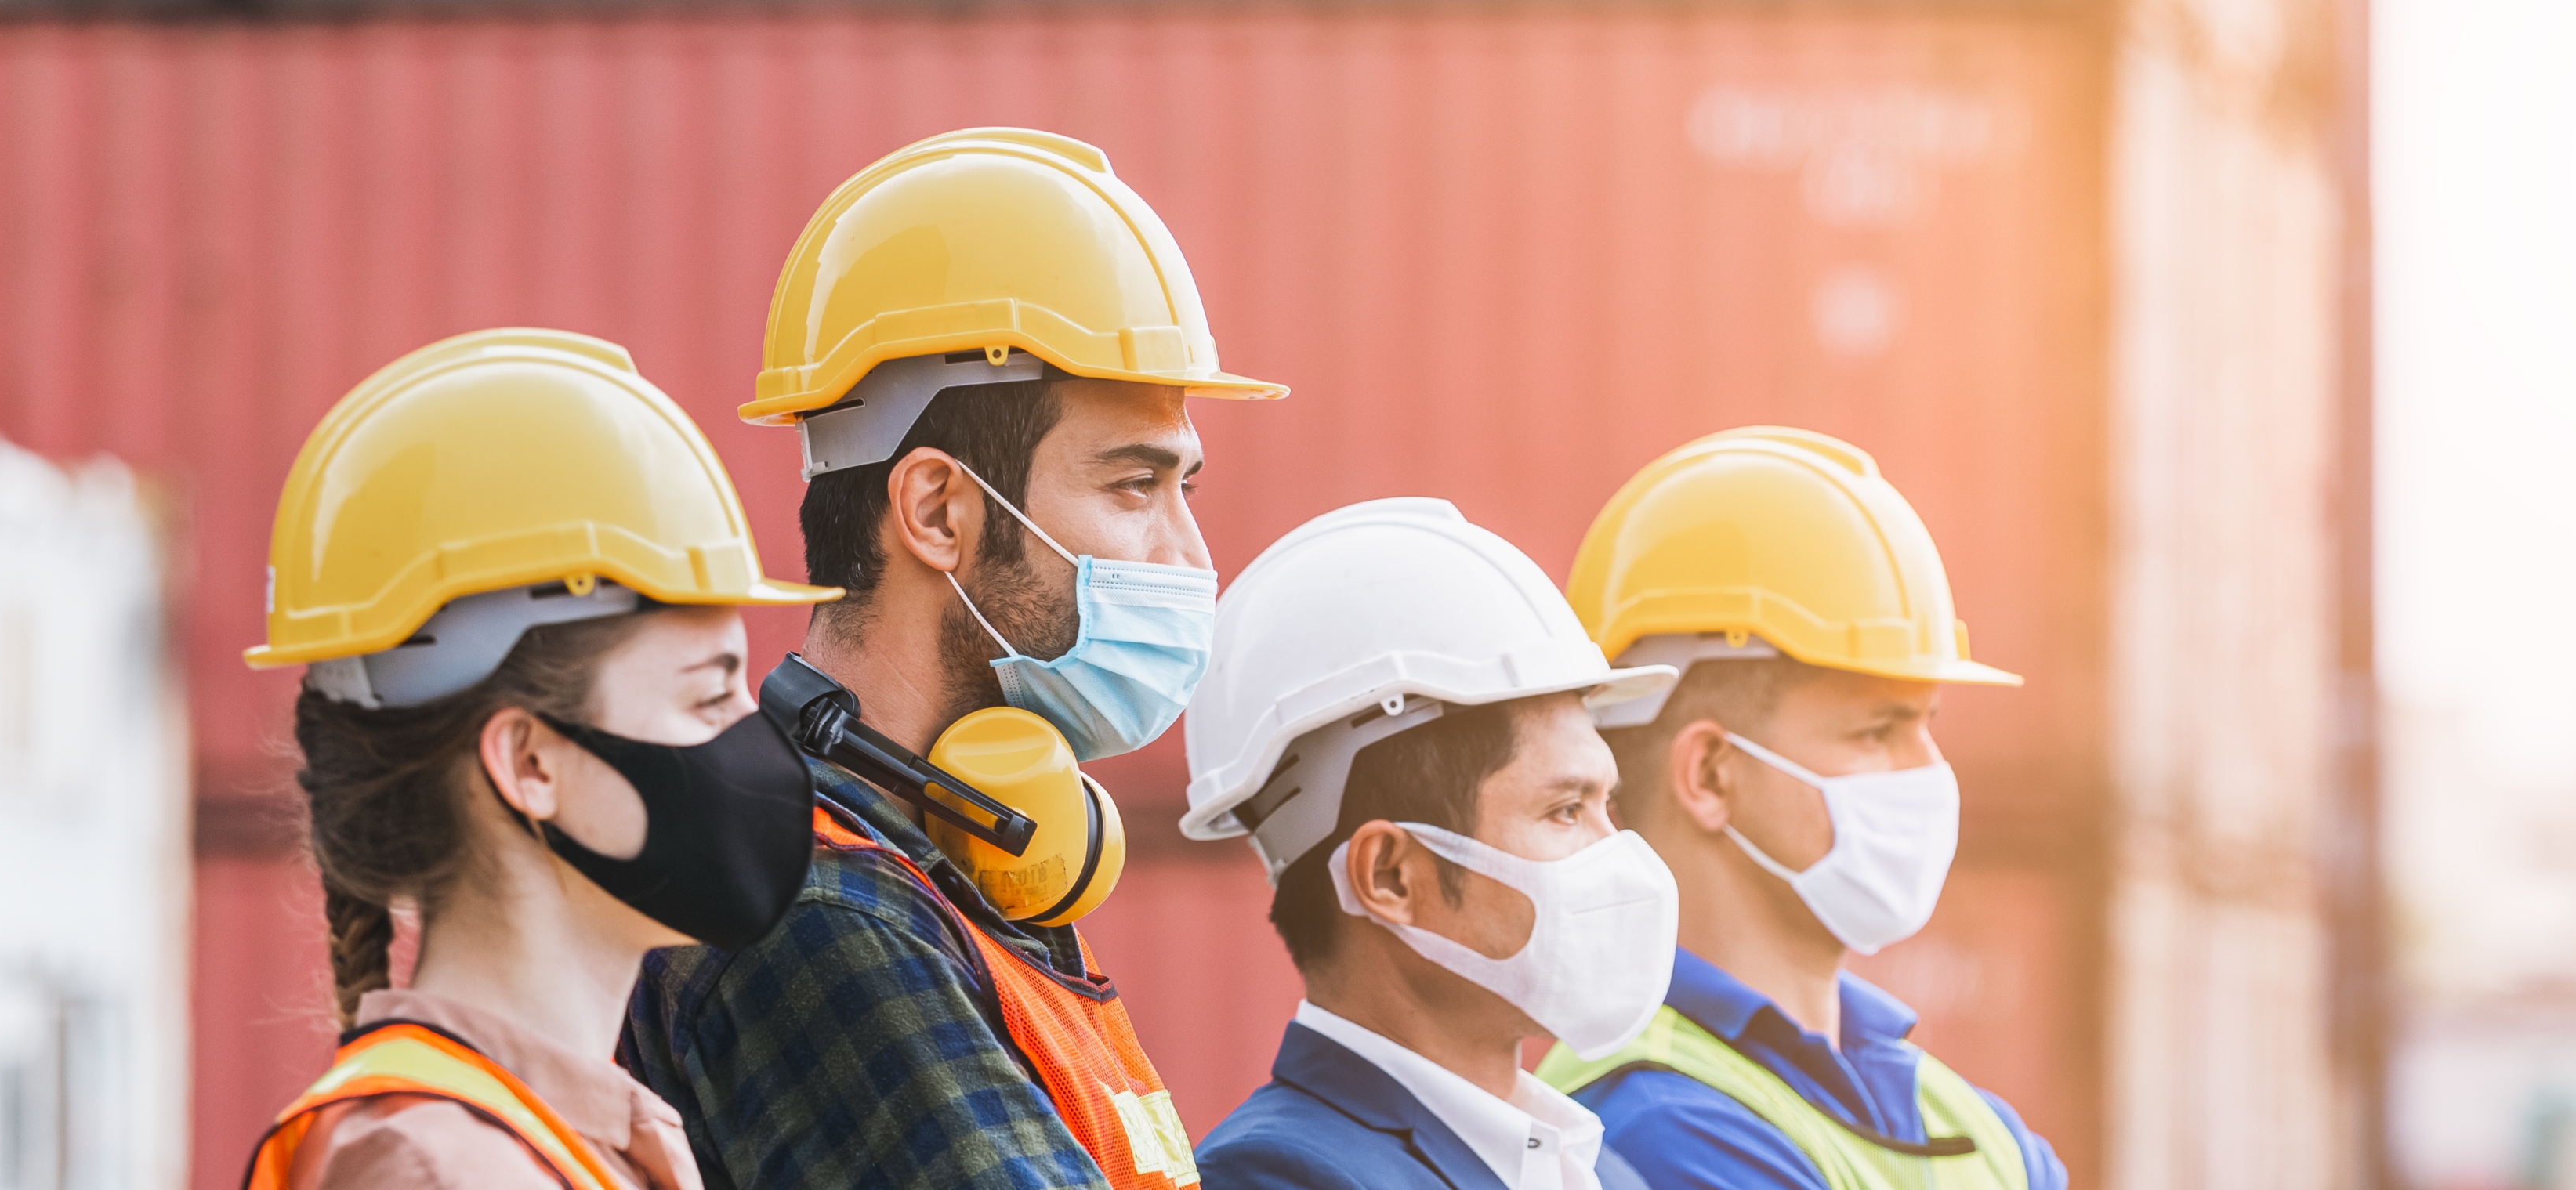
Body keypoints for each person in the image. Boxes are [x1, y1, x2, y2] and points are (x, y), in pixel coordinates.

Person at [621, 127, 1283, 1189]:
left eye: (1184, 490)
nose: (1190, 556)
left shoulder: (963, 867)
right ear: (937, 510)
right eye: (1133, 486)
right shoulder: (815, 908)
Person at [241, 328, 839, 1188]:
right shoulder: (440, 1167)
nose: (756, 738)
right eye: (709, 697)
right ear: (529, 761)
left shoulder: (574, 1138)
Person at [1538, 428, 2070, 1190]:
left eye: (1929, 724)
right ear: (1711, 775)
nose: (1929, 771)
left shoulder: (1968, 1121)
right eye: (1877, 731)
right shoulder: (1647, 1128)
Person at [1177, 498, 1681, 1190]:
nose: (1618, 852)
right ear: (1390, 876)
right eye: (1566, 810)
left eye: (1607, 804)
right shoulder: (1279, 1176)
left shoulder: (1594, 1168)